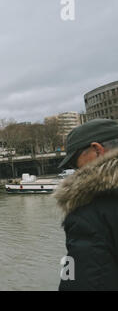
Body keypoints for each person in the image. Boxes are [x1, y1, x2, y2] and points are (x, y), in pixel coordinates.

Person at [54, 118, 118, 290]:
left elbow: (87, 281)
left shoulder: (90, 213)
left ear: (97, 150)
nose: (77, 172)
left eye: (76, 164)